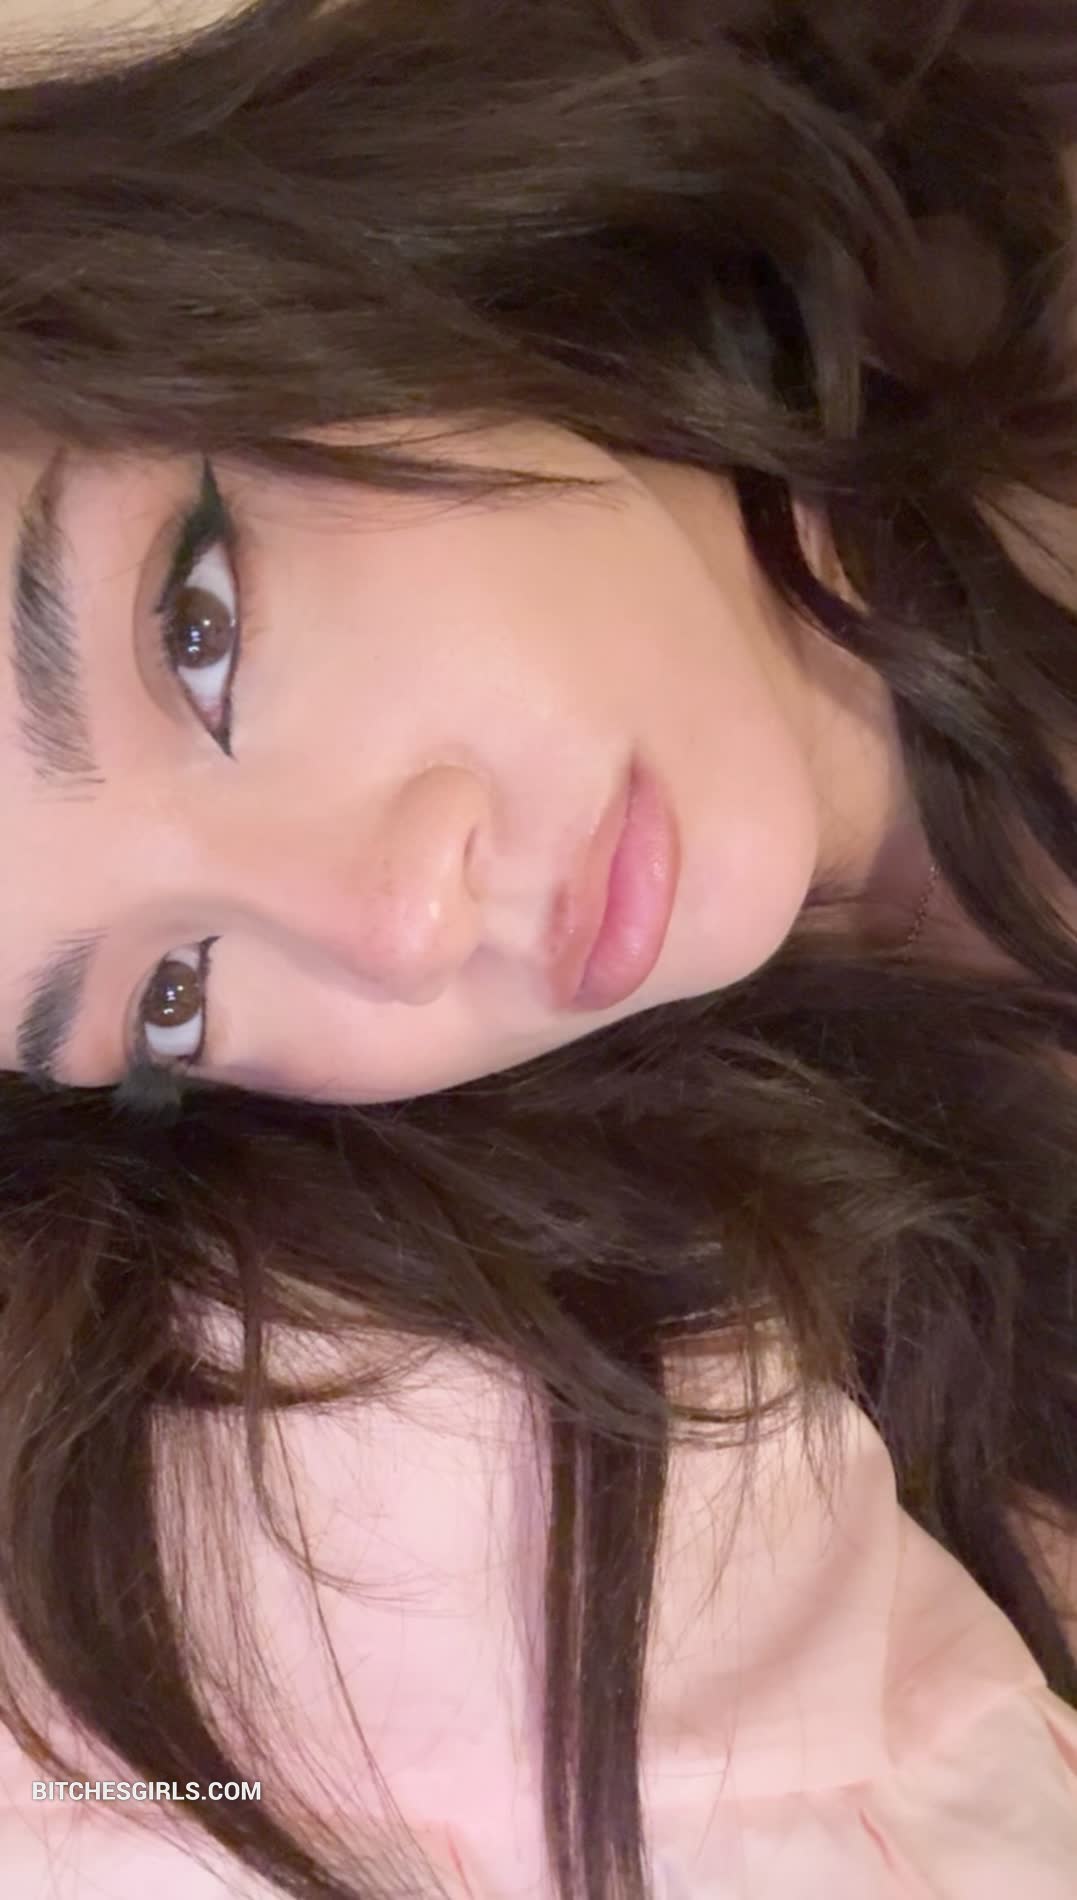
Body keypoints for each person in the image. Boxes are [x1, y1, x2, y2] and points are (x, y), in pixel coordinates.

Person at [0, 0, 1074, 1893]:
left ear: (275, 289)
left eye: (201, 638)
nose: (394, 925)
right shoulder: (803, 1359)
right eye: (168, 996)